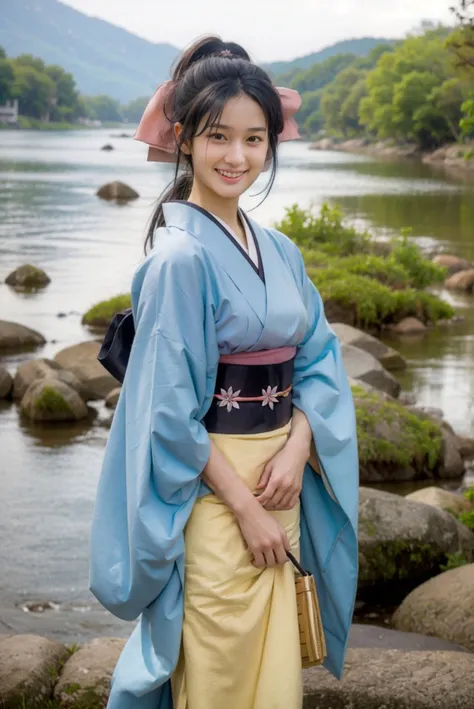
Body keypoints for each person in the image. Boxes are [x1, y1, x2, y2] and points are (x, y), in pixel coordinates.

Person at [89, 35, 359, 709]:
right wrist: (243, 507)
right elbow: (167, 413)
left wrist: (299, 446)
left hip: (281, 483)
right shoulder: (179, 260)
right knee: (217, 663)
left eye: (254, 139)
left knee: (271, 673)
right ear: (183, 137)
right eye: (217, 136)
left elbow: (320, 360)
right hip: (217, 497)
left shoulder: (283, 251)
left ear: (272, 142)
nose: (236, 157)